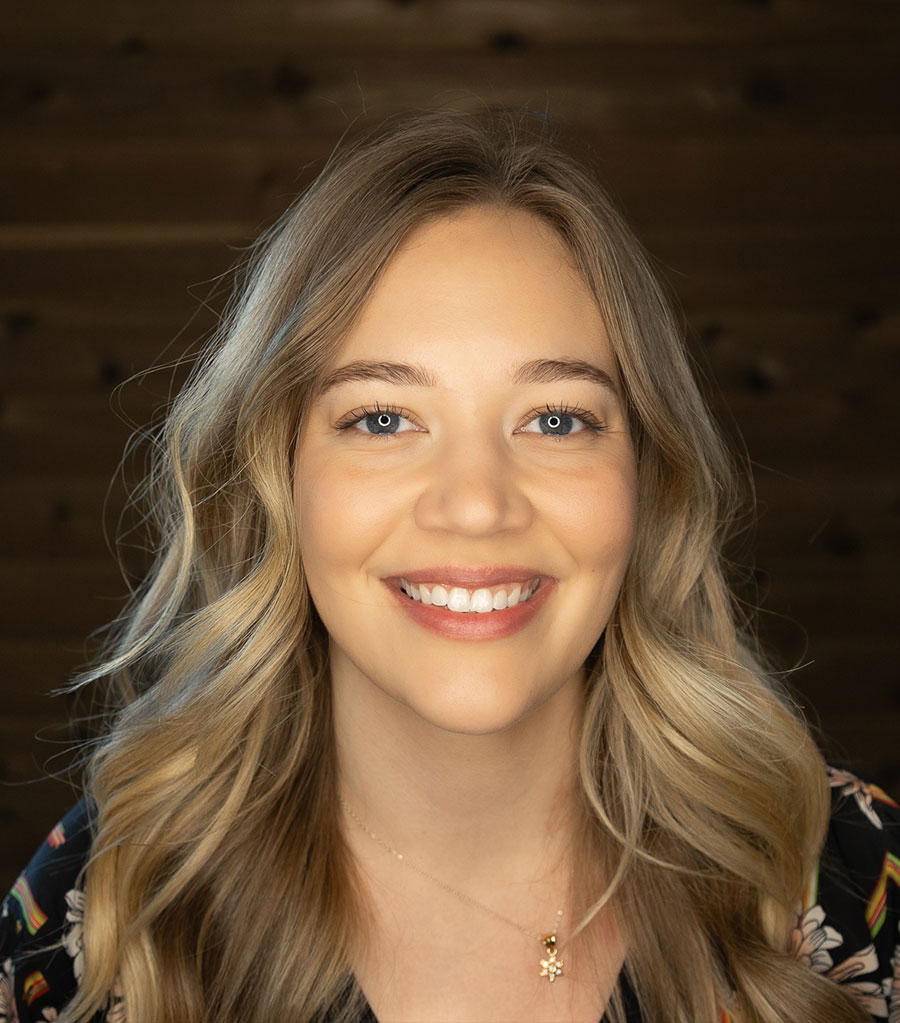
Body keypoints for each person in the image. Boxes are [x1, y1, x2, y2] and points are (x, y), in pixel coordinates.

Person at [1, 109, 897, 1023]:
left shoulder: (841, 874)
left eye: (555, 419)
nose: (476, 504)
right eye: (384, 419)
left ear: (646, 479)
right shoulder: (112, 907)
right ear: (278, 474)